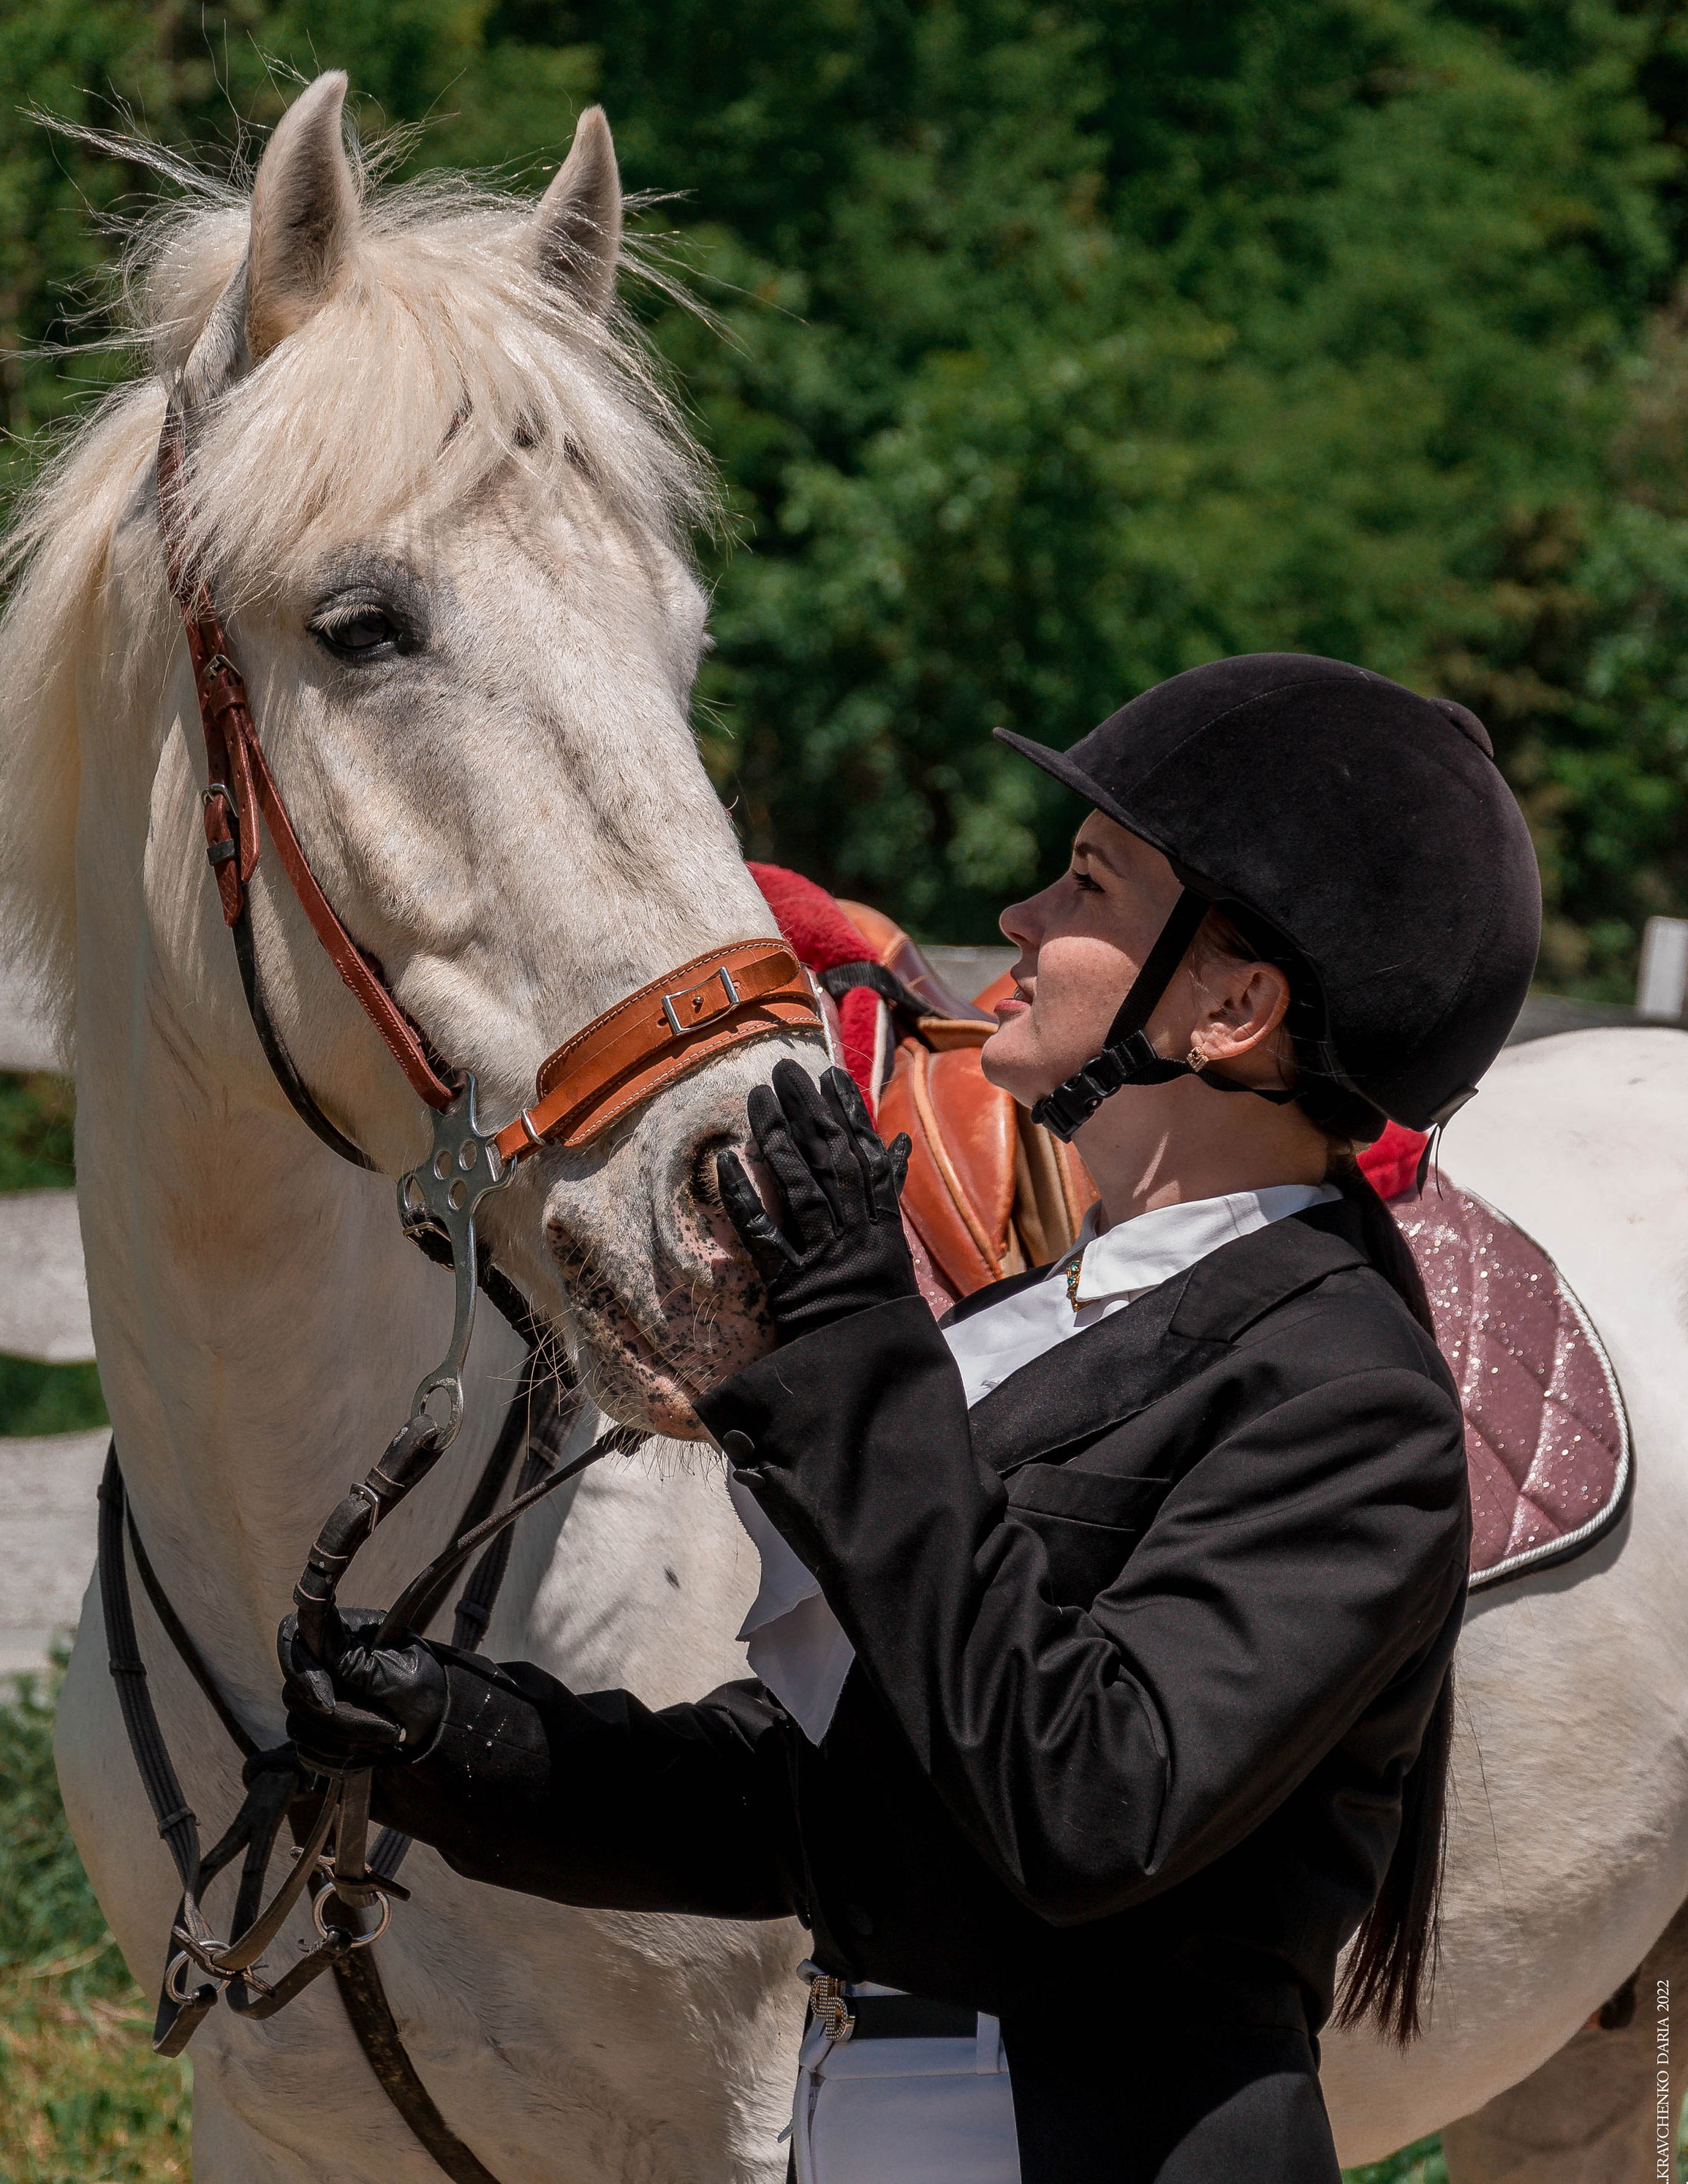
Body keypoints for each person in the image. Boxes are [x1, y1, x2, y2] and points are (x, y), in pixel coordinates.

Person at [280, 651, 1542, 2183]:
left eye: (1085, 884)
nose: (1018, 922)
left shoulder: (1348, 1401)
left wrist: (856, 1351)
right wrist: (451, 1738)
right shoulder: (1069, 1316)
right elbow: (814, 1798)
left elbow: (1087, 1805)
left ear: (1228, 1006)